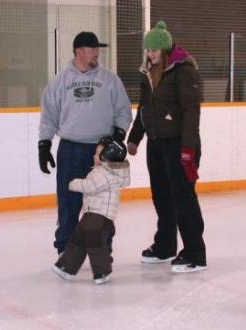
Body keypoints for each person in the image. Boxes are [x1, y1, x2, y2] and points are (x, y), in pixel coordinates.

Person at [38, 31, 132, 255]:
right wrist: (44, 144)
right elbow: (49, 115)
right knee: (69, 201)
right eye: (92, 49)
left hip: (101, 151)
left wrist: (117, 137)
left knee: (101, 204)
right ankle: (65, 247)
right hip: (70, 149)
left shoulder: (109, 79)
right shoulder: (61, 80)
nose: (96, 54)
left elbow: (123, 112)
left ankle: (101, 248)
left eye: (97, 50)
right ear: (79, 51)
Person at [126, 21, 206, 273]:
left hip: (179, 144)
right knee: (162, 198)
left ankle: (195, 253)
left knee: (183, 198)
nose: (150, 54)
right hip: (157, 143)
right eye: (148, 49)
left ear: (165, 49)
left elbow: (192, 111)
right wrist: (135, 137)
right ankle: (165, 246)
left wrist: (188, 148)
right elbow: (144, 108)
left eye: (154, 50)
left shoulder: (183, 71)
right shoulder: (148, 73)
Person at [52, 137, 130, 284]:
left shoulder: (104, 174)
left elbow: (90, 186)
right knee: (78, 239)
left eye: (97, 154)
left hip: (99, 216)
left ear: (105, 157)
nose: (93, 156)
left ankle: (102, 271)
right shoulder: (105, 171)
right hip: (92, 214)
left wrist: (73, 183)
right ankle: (66, 266)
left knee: (95, 242)